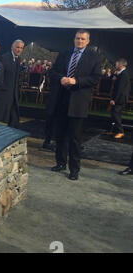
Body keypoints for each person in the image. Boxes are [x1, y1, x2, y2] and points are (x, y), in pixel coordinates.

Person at [48, 29, 102, 181]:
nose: (79, 41)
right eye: (77, 38)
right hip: (62, 100)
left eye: (83, 39)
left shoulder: (94, 57)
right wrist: (61, 79)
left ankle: (74, 169)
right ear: (74, 39)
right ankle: (60, 162)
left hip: (78, 103)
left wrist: (76, 81)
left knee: (75, 139)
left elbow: (96, 78)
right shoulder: (65, 54)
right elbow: (53, 72)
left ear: (88, 41)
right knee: (60, 136)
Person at [0, 39, 24, 128]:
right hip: (3, 95)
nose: (19, 50)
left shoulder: (18, 59)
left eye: (21, 48)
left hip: (13, 95)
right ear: (12, 47)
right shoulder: (4, 58)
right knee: (1, 119)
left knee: (13, 119)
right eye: (17, 47)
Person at [109, 58, 130, 139]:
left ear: (122, 65)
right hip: (119, 98)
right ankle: (115, 130)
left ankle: (120, 132)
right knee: (114, 114)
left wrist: (114, 100)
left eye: (117, 64)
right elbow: (113, 79)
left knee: (115, 114)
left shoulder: (124, 75)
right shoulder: (120, 73)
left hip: (120, 99)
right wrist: (113, 74)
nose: (115, 65)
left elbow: (120, 89)